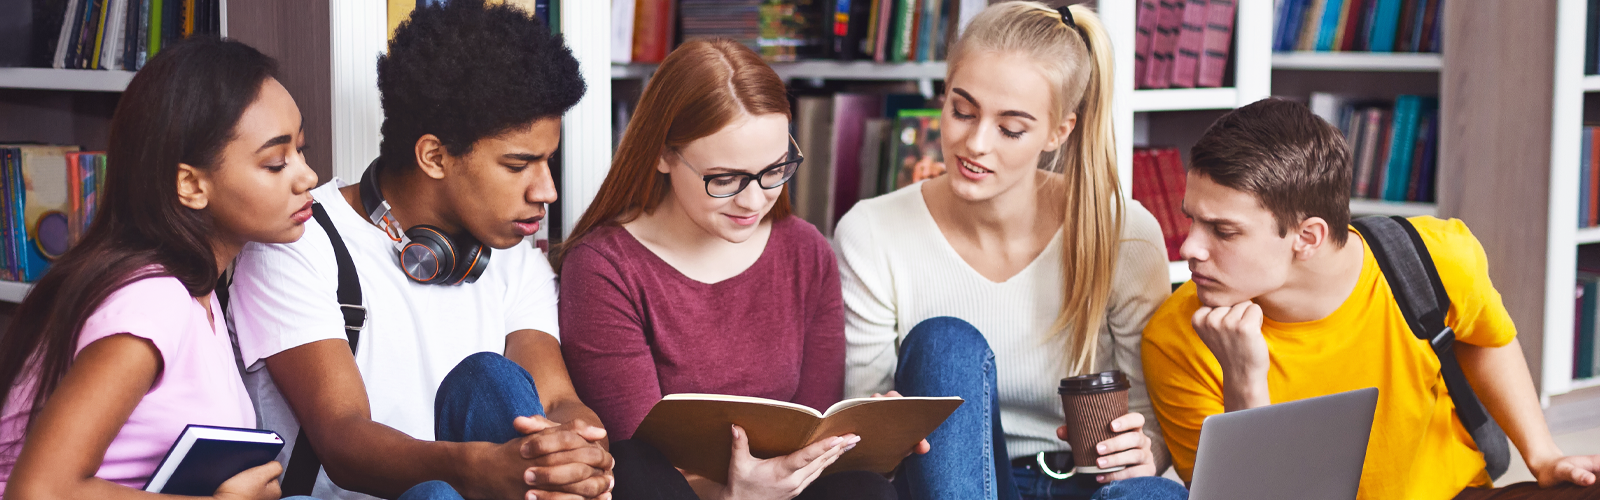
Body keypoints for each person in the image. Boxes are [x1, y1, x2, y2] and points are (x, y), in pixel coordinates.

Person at [226, 2, 612, 499]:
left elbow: (557, 399)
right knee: (436, 494)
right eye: (519, 165)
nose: (547, 191)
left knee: (490, 379)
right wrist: (473, 469)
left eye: (548, 162)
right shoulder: (298, 242)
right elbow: (342, 439)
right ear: (434, 156)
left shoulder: (516, 251)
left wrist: (580, 447)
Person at [1140, 97, 1600, 500]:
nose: (1188, 249)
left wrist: (1542, 455)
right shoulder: (1177, 338)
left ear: (1308, 236)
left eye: (1223, 231)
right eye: (1192, 220)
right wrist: (1244, 381)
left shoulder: (1435, 257)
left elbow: (1486, 339)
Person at [834, 3, 1188, 500]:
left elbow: (1154, 430)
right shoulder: (871, 232)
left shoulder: (1123, 231)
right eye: (962, 110)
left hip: (1089, 485)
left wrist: (1141, 448)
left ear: (1057, 132)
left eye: (1010, 128)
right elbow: (865, 449)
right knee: (944, 345)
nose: (974, 142)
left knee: (1155, 496)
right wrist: (883, 426)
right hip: (952, 485)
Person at [551, 37, 893, 500]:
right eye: (725, 179)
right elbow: (639, 460)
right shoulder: (604, 267)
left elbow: (813, 431)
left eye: (774, 169)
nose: (753, 201)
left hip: (790, 490)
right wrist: (735, 493)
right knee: (635, 468)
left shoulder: (805, 252)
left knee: (863, 488)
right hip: (672, 493)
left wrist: (872, 437)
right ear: (664, 155)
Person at [0, 38, 333, 499]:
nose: (307, 176)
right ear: (191, 185)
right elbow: (38, 492)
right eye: (276, 163)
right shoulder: (151, 301)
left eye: (301, 150)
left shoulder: (198, 290)